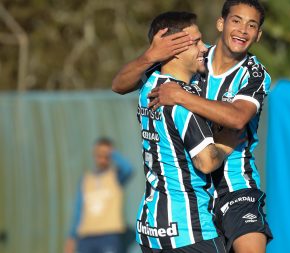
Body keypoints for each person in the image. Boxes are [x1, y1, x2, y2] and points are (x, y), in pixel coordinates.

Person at [112, 1, 273, 252]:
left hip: (234, 185)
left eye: (251, 25)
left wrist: (182, 96)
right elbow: (119, 85)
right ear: (221, 23)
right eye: (236, 21)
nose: (242, 30)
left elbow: (238, 118)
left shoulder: (254, 73)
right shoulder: (193, 57)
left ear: (258, 35)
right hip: (193, 189)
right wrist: (150, 56)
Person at [135, 11, 243, 253]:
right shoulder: (182, 101)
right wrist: (228, 141)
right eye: (195, 42)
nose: (204, 47)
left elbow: (120, 83)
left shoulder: (149, 85)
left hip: (151, 229)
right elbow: (205, 162)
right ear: (173, 50)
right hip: (189, 232)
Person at [64, 137, 133, 253]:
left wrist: (112, 153)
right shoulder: (86, 179)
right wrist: (71, 236)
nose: (102, 158)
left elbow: (129, 169)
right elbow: (78, 210)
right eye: (99, 154)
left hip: (109, 235)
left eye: (105, 154)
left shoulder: (116, 176)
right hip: (86, 237)